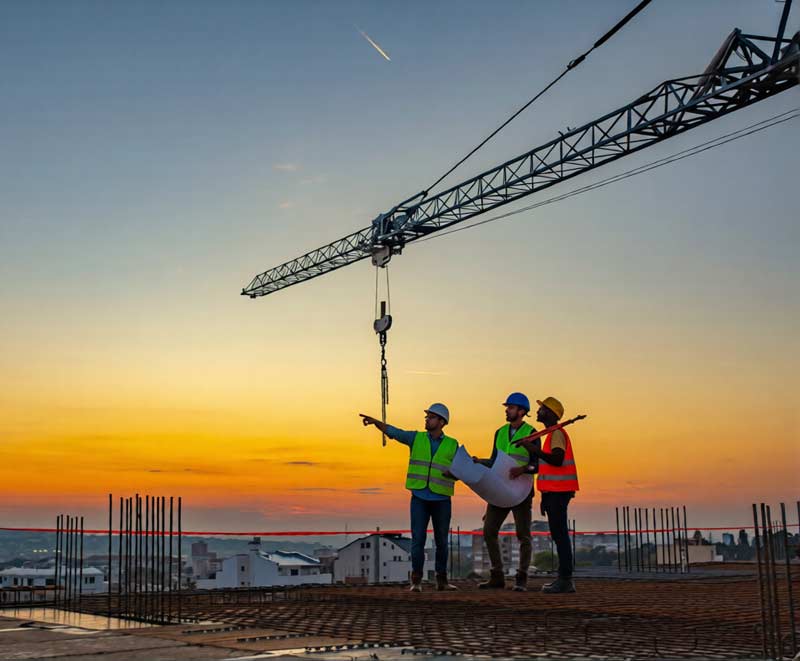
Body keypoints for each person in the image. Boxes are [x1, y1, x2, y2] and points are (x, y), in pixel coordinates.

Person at [360, 403, 458, 592]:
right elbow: (394, 432)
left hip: (441, 499)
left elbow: (462, 470)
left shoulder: (452, 444)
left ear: (441, 422)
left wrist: (453, 474)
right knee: (418, 540)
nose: (426, 420)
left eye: (431, 417)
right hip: (420, 497)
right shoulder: (416, 438)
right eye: (427, 416)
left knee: (442, 542)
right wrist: (376, 423)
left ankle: (442, 581)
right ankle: (417, 580)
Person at [473, 392, 539, 591]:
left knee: (523, 535)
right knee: (489, 531)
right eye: (507, 407)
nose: (506, 410)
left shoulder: (533, 433)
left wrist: (522, 470)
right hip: (500, 490)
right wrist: (480, 461)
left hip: (522, 491)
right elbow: (495, 461)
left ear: (521, 411)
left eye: (510, 407)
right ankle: (497, 576)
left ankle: (521, 578)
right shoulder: (500, 432)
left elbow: (537, 465)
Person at [518, 396, 579, 594]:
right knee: (558, 534)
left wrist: (533, 448)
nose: (538, 412)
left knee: (560, 535)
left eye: (542, 409)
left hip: (560, 492)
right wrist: (545, 497)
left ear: (550, 414)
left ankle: (565, 579)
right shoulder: (551, 435)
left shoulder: (557, 435)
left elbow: (557, 460)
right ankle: (564, 579)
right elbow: (548, 469)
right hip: (554, 493)